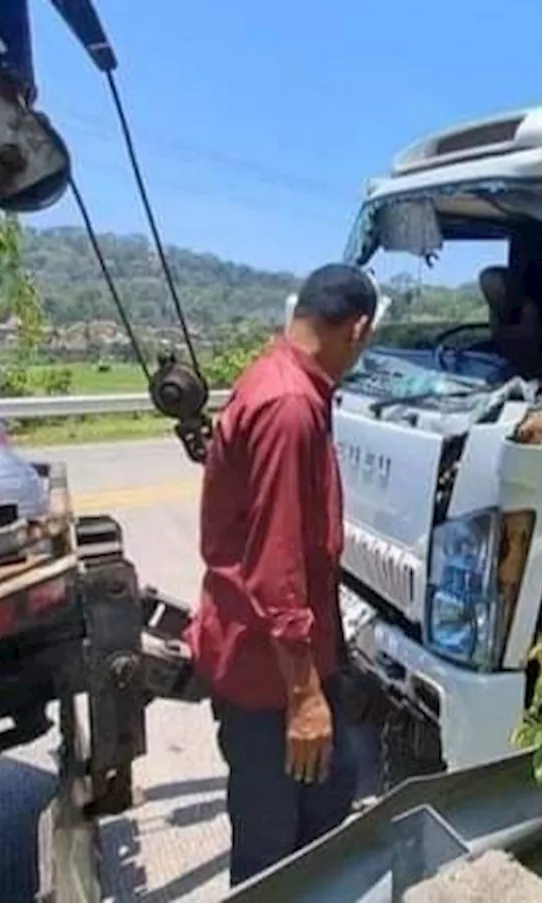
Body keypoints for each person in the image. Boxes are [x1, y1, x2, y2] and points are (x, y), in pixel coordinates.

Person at [187, 263, 378, 886]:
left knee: (330, 794)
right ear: (359, 328)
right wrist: (303, 698)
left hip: (270, 659)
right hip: (271, 681)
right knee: (275, 855)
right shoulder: (292, 406)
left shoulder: (275, 377)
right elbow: (277, 567)